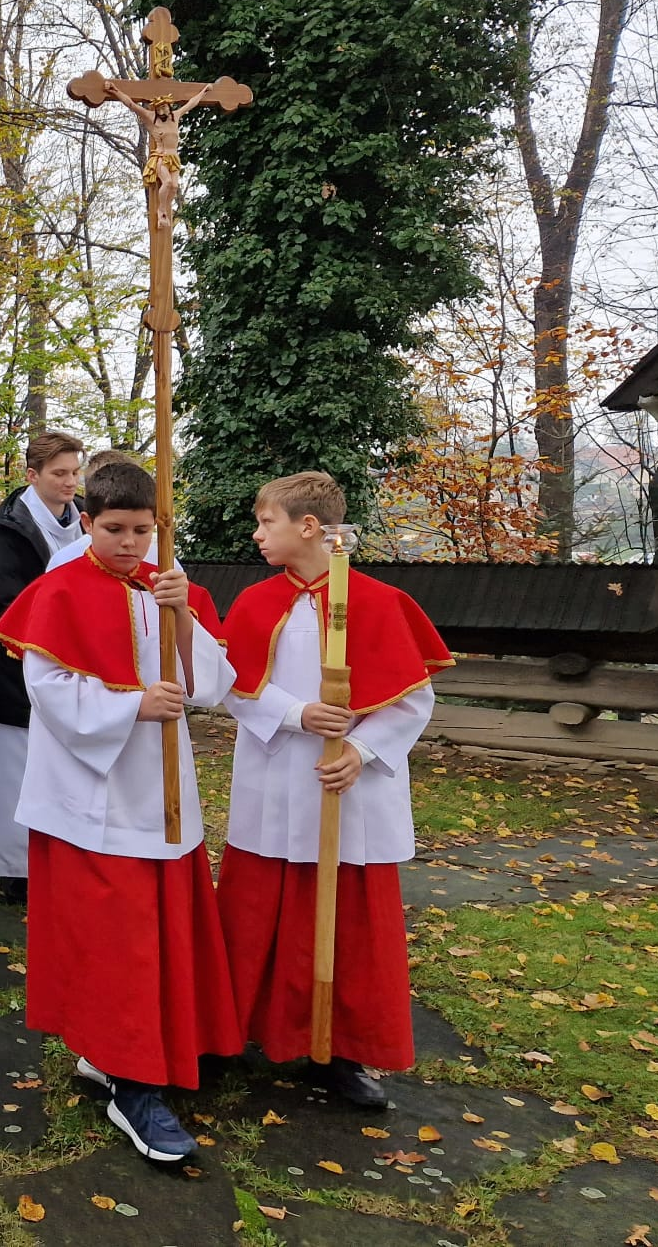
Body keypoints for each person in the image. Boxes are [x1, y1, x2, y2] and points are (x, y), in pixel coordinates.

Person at [0, 460, 240, 1163]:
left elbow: (212, 685)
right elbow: (50, 688)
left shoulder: (168, 586)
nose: (130, 544)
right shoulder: (61, 589)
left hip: (160, 792)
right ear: (88, 523)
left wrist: (183, 613)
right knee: (115, 940)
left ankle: (124, 1051)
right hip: (93, 797)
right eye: (114, 529)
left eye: (143, 529)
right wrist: (133, 704)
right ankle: (132, 1083)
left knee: (156, 934)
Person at [218, 472, 450, 1109]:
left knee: (350, 919)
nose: (258, 533)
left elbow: (413, 698)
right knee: (259, 906)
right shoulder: (254, 605)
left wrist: (362, 751)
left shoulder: (379, 602)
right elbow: (233, 685)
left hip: (349, 788)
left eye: (267, 522)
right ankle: (239, 1030)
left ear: (309, 526)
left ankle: (341, 1049)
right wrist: (297, 714)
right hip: (276, 777)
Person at [0, 430, 87, 908]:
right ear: (32, 476)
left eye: (75, 472)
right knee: (16, 767)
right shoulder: (12, 533)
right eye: (59, 473)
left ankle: (55, 854)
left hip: (75, 658)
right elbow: (4, 602)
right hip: (21, 661)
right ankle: (11, 866)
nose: (70, 482)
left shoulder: (83, 523)